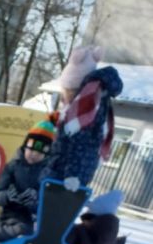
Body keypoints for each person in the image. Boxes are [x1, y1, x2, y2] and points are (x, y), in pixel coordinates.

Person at [43, 46, 124, 189]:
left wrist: (72, 175)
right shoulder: (97, 101)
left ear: (75, 88)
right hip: (72, 171)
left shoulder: (85, 108)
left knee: (53, 202)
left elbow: (80, 143)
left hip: (66, 176)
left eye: (66, 91)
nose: (64, 98)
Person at [0, 116, 57, 243]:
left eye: (40, 153)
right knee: (22, 230)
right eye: (31, 150)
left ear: (46, 155)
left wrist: (35, 200)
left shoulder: (47, 174)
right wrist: (7, 196)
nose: (34, 155)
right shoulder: (13, 167)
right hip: (12, 214)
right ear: (25, 146)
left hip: (33, 217)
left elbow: (49, 202)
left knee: (34, 234)